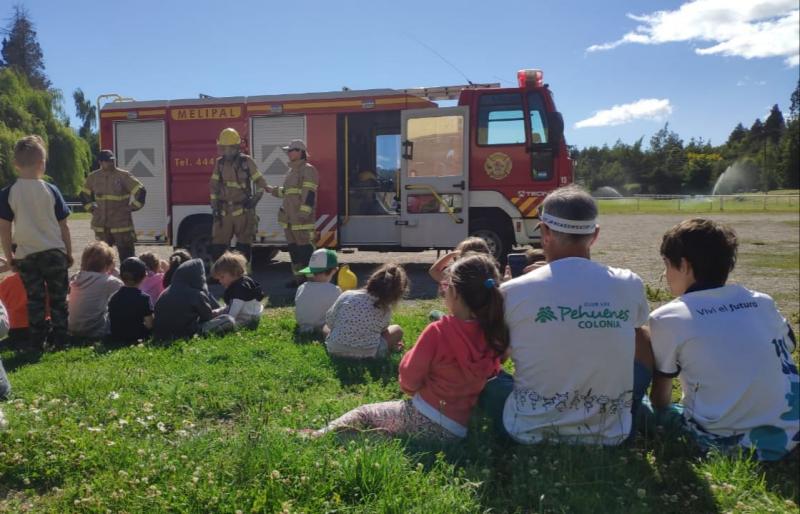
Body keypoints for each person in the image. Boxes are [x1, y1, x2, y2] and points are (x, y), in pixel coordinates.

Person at [480, 185, 652, 445]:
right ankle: (637, 407)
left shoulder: (512, 291)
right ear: (595, 235)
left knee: (492, 382)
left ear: (545, 232)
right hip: (611, 433)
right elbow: (639, 341)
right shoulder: (629, 282)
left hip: (527, 430)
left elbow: (496, 353)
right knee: (641, 334)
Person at [302, 254, 507, 440]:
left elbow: (408, 381)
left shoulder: (438, 331)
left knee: (364, 413)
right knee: (393, 426)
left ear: (455, 293)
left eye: (446, 285)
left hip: (423, 415)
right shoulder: (493, 332)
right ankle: (382, 436)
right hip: (459, 428)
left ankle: (318, 436)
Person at [646, 219, 799, 461]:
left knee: (644, 408)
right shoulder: (762, 301)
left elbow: (661, 398)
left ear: (684, 265)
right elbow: (789, 345)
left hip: (727, 441)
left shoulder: (667, 317)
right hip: (791, 432)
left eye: (666, 265)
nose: (665, 275)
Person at [0, 135, 73, 350]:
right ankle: (61, 339)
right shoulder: (51, 190)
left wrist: (10, 256)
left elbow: (5, 230)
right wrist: (69, 252)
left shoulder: (8, 193)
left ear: (15, 164)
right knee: (58, 298)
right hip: (54, 252)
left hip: (26, 255)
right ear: (42, 163)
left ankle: (36, 341)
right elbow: (64, 226)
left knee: (34, 299)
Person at [209, 128, 268, 264]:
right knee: (218, 246)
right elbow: (213, 186)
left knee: (243, 246)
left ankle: (244, 273)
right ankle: (218, 272)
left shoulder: (246, 162)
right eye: (224, 148)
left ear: (236, 147)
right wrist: (215, 207)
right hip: (224, 212)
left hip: (243, 211)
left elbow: (261, 183)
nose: (227, 152)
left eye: (230, 148)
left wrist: (255, 200)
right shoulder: (219, 163)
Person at [324, 263, 407, 359]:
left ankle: (336, 341)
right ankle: (392, 346)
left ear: (371, 279)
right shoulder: (385, 309)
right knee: (397, 330)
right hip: (369, 353)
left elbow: (330, 321)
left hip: (335, 349)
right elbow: (382, 331)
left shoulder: (347, 295)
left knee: (325, 327)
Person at [267, 139, 319, 286]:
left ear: (300, 152)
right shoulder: (291, 171)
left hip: (301, 220)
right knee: (295, 252)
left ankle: (312, 282)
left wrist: (303, 214)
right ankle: (299, 280)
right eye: (287, 151)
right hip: (289, 220)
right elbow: (287, 193)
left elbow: (309, 194)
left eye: (291, 150)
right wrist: (272, 190)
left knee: (306, 252)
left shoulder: (308, 170)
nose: (288, 153)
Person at [79, 149, 146, 262]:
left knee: (127, 258)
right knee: (102, 259)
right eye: (107, 161)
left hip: (121, 225)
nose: (111, 163)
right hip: (101, 226)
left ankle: (128, 274)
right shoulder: (93, 177)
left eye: (112, 160)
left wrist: (131, 207)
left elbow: (141, 191)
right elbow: (83, 195)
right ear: (100, 162)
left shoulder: (123, 176)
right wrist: (91, 209)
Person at [153, 259, 234, 340]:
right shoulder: (196, 294)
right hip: (186, 334)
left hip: (161, 336)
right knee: (228, 320)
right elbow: (207, 317)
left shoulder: (164, 293)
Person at [68, 242, 123, 340]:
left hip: (73, 328)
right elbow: (127, 289)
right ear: (108, 263)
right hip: (96, 331)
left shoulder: (76, 277)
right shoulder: (109, 281)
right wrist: (115, 271)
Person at [0, 257, 50, 348]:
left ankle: (16, 342)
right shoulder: (42, 282)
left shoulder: (6, 283)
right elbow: (48, 311)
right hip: (37, 326)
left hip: (14, 328)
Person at [210, 251, 265, 329]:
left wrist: (216, 318)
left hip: (246, 321)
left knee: (218, 324)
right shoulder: (245, 281)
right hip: (252, 315)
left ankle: (202, 328)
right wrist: (218, 311)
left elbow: (230, 316)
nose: (220, 281)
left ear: (234, 272)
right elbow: (233, 307)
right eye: (218, 279)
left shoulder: (238, 291)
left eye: (222, 277)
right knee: (218, 313)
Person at [108, 257, 154, 344]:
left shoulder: (114, 297)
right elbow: (149, 324)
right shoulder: (144, 298)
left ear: (120, 276)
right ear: (144, 276)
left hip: (117, 336)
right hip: (137, 336)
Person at [295, 249, 342, 334]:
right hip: (324, 327)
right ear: (334, 271)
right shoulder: (335, 290)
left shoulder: (301, 287)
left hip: (303, 325)